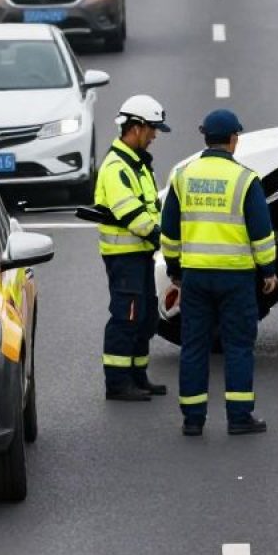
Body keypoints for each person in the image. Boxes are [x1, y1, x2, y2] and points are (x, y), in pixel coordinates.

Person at [161, 109, 278, 437]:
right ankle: (239, 417)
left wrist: (174, 269)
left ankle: (193, 420)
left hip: (195, 277)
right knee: (238, 346)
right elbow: (261, 232)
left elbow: (169, 232)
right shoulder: (245, 179)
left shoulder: (183, 176)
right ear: (233, 139)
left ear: (205, 137)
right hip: (236, 278)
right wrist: (268, 270)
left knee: (194, 347)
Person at [96, 94, 170, 402]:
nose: (154, 136)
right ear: (136, 127)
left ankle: (138, 376)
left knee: (144, 316)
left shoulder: (137, 164)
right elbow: (131, 212)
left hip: (140, 254)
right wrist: (159, 235)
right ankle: (117, 383)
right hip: (123, 255)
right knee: (126, 317)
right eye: (152, 129)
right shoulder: (116, 167)